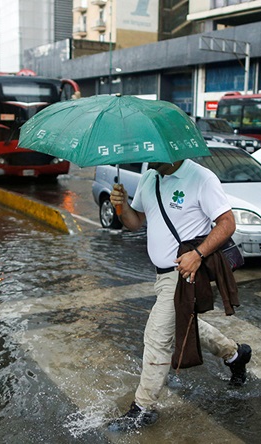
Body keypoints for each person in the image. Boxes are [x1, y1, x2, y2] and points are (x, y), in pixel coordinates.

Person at [107, 159, 252, 431]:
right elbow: (135, 222)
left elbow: (227, 222)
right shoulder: (149, 178)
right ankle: (235, 354)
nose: (147, 153)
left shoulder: (201, 178)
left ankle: (143, 408)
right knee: (184, 324)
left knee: (157, 336)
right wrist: (122, 205)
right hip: (161, 275)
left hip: (185, 274)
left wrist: (198, 255)